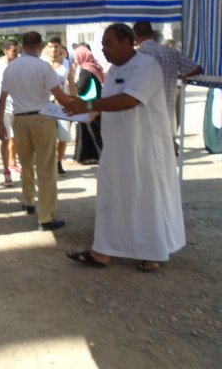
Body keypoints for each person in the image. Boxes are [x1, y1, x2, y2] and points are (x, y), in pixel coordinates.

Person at [63, 24, 185, 272]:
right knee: (112, 197)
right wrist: (84, 110)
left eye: (109, 44)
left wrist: (88, 106)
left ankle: (151, 253)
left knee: (146, 198)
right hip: (117, 148)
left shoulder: (146, 66)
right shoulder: (114, 69)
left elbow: (130, 100)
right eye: (102, 44)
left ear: (127, 43)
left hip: (144, 148)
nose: (103, 49)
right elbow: (107, 102)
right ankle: (102, 251)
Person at [0, 32, 72, 231]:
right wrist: (79, 105)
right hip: (41, 117)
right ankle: (45, 216)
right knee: (46, 168)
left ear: (23, 45)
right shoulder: (43, 66)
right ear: (39, 46)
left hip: (19, 119)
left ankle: (28, 201)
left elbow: (2, 98)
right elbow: (60, 96)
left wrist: (1, 125)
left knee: (26, 163)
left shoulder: (11, 68)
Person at [133, 21, 203, 136]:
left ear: (135, 36)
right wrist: (182, 76)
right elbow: (198, 69)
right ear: (152, 33)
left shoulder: (137, 55)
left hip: (146, 114)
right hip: (168, 113)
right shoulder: (171, 52)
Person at [0, 39, 21, 187]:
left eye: (18, 50)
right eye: (14, 51)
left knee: (17, 139)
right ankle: (6, 171)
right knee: (4, 139)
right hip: (3, 109)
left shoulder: (20, 66)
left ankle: (14, 164)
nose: (17, 53)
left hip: (19, 108)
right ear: (6, 51)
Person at [43, 39, 77, 175]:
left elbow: (71, 83)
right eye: (51, 46)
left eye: (56, 46)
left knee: (63, 136)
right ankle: (48, 163)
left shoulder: (66, 63)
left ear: (60, 47)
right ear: (47, 48)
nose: (53, 49)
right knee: (47, 136)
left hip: (62, 104)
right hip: (46, 104)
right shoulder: (42, 63)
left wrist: (74, 101)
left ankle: (58, 162)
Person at [72, 44, 104, 164]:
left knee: (90, 132)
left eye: (76, 57)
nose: (75, 60)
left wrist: (74, 85)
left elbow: (82, 88)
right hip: (97, 103)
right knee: (93, 131)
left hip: (88, 105)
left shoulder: (85, 70)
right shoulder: (95, 67)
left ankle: (88, 156)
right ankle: (94, 156)